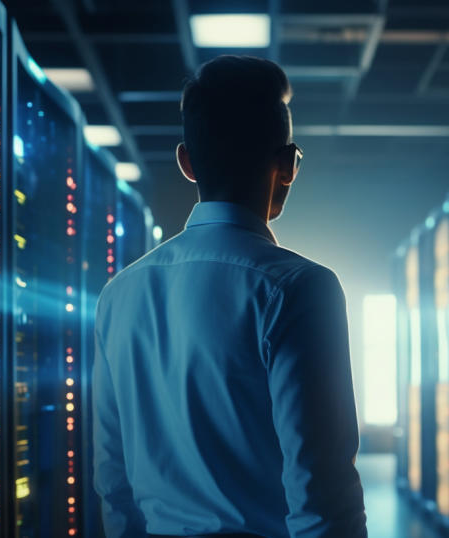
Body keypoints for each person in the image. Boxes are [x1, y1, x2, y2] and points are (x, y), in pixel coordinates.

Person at [93, 55, 367, 538]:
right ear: (288, 166)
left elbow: (112, 483)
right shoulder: (300, 289)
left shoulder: (119, 293)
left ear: (187, 162)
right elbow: (322, 498)